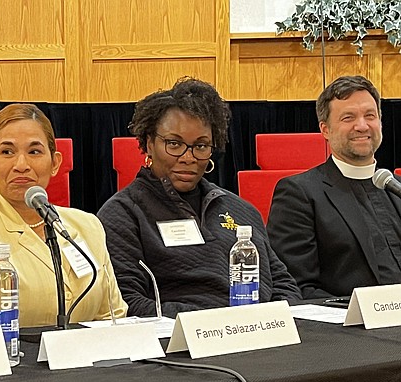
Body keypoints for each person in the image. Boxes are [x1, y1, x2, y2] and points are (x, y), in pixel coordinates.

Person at [97, 77, 300, 317]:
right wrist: (212, 322)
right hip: (179, 344)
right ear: (149, 143)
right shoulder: (123, 214)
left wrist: (271, 322)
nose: (188, 157)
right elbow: (125, 302)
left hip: (259, 336)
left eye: (201, 146)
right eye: (174, 144)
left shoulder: (241, 210)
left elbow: (284, 285)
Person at [0, 103, 127, 329]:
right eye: (7, 152)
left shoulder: (87, 226)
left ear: (55, 163)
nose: (21, 165)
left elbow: (113, 317)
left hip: (89, 360)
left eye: (34, 152)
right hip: (8, 362)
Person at [267, 75, 401, 299]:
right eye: (348, 118)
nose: (362, 126)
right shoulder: (299, 193)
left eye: (370, 116)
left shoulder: (396, 189)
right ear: (325, 129)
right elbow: (295, 286)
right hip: (349, 328)